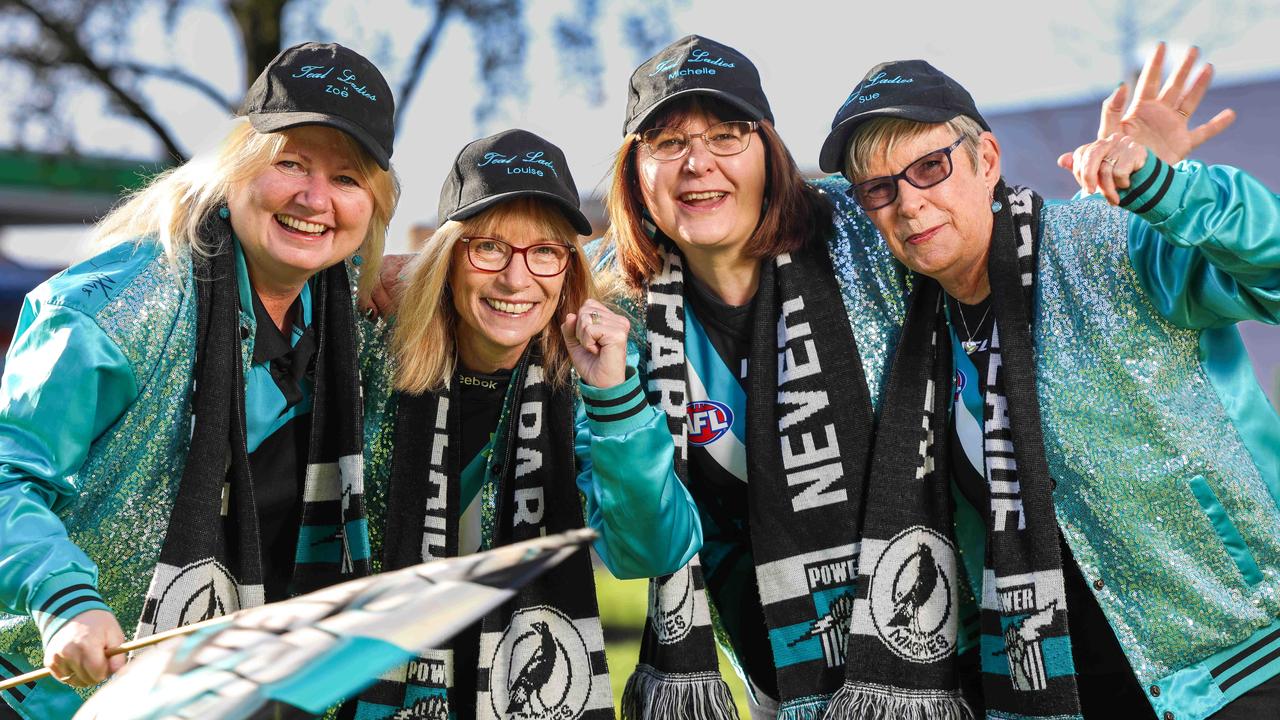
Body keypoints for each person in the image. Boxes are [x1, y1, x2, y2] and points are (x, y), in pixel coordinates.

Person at [819, 45, 1280, 720]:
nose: (910, 203)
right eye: (880, 189)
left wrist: (1166, 191)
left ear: (987, 161)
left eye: (929, 167)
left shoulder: (1103, 242)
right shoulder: (919, 343)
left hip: (1237, 669)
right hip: (1066, 695)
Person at [0, 42, 399, 718]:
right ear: (237, 167)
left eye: (347, 178)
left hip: (218, 699)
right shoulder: (112, 307)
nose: (314, 198)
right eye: (291, 163)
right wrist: (65, 599)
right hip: (46, 694)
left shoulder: (354, 327)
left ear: (373, 205)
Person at [597, 34, 911, 720]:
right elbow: (640, 546)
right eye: (668, 142)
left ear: (769, 153)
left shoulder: (866, 242)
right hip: (771, 684)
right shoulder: (610, 313)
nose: (698, 163)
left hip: (928, 673)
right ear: (635, 175)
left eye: (727, 133)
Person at [351, 129, 701, 718]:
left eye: (545, 251)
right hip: (370, 685)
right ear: (448, 256)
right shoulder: (371, 354)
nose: (517, 279)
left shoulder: (595, 374)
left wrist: (613, 395)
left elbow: (650, 551)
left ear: (568, 267)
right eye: (488, 247)